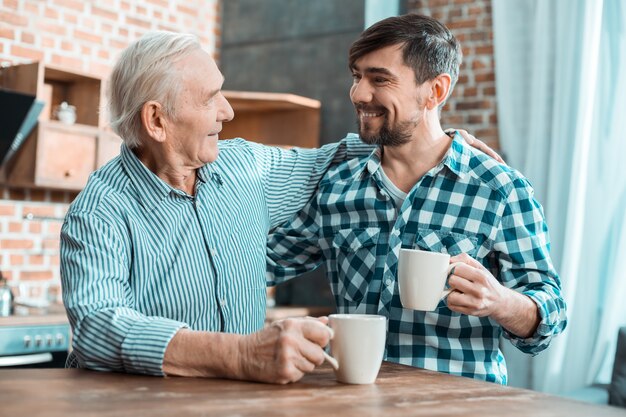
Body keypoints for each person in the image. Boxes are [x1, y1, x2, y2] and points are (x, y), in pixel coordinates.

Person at [60, 30, 499, 383]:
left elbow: (331, 157)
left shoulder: (244, 166)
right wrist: (240, 355)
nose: (227, 111)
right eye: (210, 98)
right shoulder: (101, 210)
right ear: (157, 120)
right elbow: (97, 328)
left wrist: (436, 140)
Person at [267, 14, 567, 385]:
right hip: (355, 402)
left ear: (435, 91)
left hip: (460, 407)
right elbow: (258, 265)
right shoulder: (337, 187)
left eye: (379, 79)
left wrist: (500, 301)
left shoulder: (500, 189)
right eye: (356, 76)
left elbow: (549, 316)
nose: (359, 94)